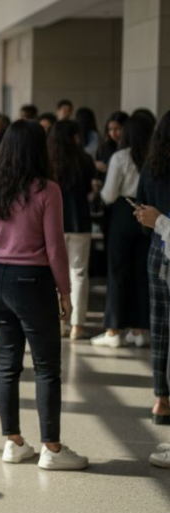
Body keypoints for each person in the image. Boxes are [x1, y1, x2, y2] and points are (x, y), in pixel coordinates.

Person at [0, 120, 88, 471]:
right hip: (31, 281)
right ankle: (52, 449)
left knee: (8, 364)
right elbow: (55, 248)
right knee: (46, 368)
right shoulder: (47, 190)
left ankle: (13, 443)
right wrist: (66, 293)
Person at [96, 113, 153, 347]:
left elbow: (109, 195)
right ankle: (140, 331)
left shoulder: (120, 157)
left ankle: (113, 331)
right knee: (142, 272)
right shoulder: (155, 157)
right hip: (150, 215)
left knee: (117, 271)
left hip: (123, 212)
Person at [133, 110, 170, 425]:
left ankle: (161, 398)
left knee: (160, 325)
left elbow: (144, 222)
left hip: (157, 252)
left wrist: (154, 222)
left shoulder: (151, 168)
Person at [47, 120, 96, 341]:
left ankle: (60, 322)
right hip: (80, 222)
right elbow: (88, 189)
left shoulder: (47, 162)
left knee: (54, 273)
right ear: (75, 136)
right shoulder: (85, 160)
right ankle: (77, 324)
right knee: (79, 273)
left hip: (53, 223)